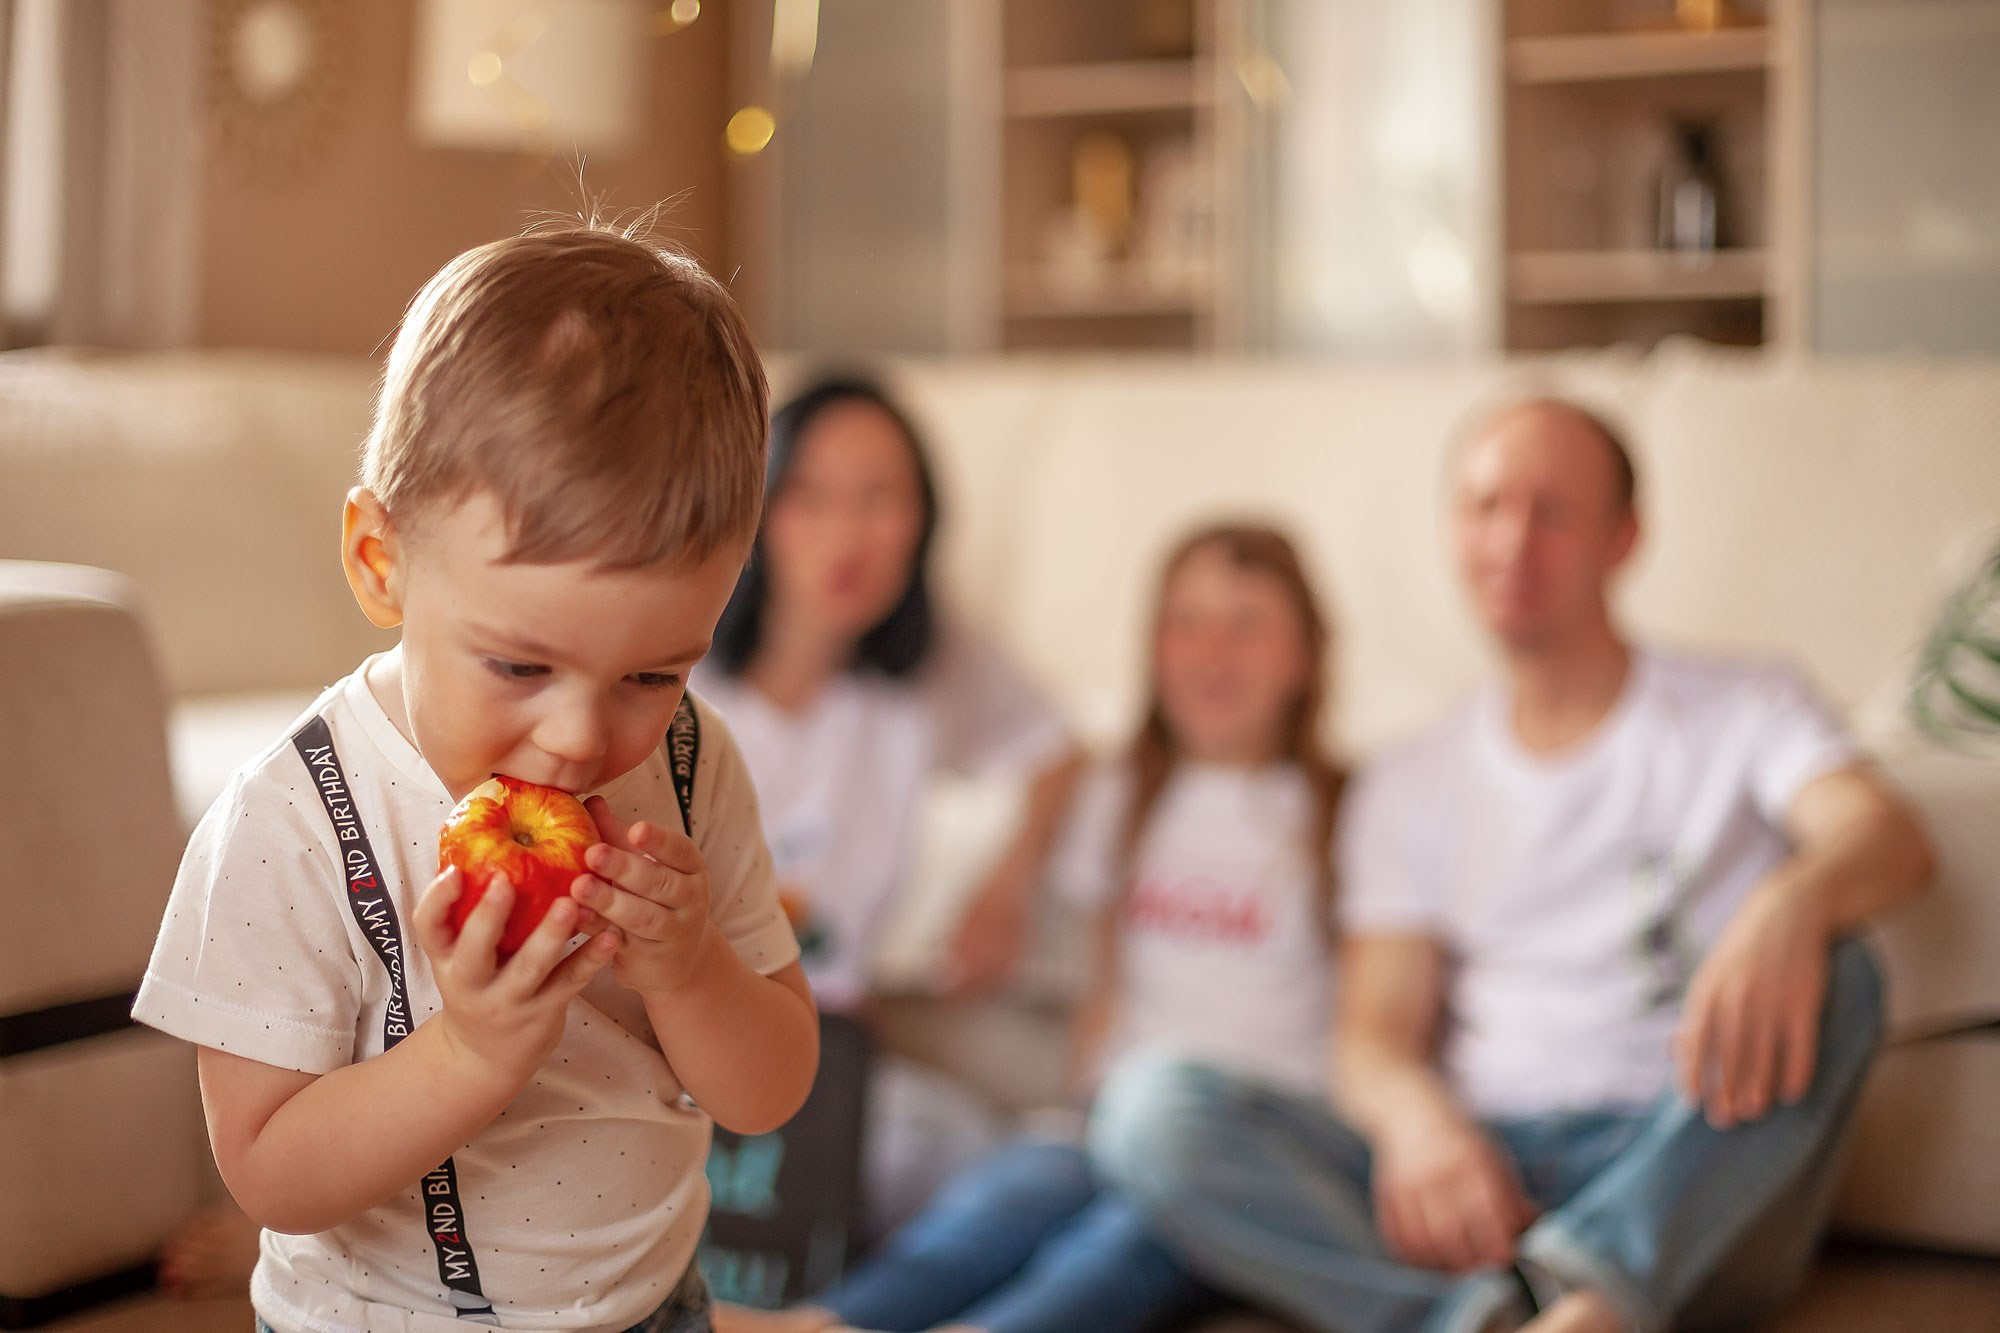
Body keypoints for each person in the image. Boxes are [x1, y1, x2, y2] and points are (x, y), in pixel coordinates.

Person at [1094, 398, 1936, 1333]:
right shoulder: (1412, 778)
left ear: (1624, 538)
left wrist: (1795, 900)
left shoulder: (1746, 706)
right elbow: (1373, 1030)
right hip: (1484, 1170)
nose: (1511, 540)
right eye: (1485, 507)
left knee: (1847, 974)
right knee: (1153, 1109)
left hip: (1685, 1159)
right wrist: (1419, 1123)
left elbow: (1887, 838)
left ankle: (1584, 1292)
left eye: (1552, 510)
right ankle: (1507, 1316)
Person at [134, 223, 818, 1333]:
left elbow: (771, 1086)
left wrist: (689, 970)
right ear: (380, 562)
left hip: (655, 1306)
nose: (578, 737)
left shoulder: (690, 765)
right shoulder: (292, 820)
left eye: (651, 671)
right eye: (517, 664)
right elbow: (267, 1170)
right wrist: (468, 1050)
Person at [722, 522, 1347, 1333]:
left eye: (1247, 622)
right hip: (1110, 1119)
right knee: (1010, 1192)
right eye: (1185, 621)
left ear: (1305, 656)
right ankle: (827, 1322)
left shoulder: (1340, 810)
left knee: (1132, 1233)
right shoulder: (1122, 796)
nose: (1211, 649)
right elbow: (1104, 990)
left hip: (1244, 1146)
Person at [695, 376, 1082, 1236]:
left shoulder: (931, 668)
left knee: (1034, 1172)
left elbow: (1059, 749)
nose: (847, 535)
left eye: (881, 500)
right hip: (682, 1050)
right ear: (757, 508)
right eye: (809, 495)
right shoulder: (680, 665)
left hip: (829, 1058)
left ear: (922, 524)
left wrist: (1007, 885)